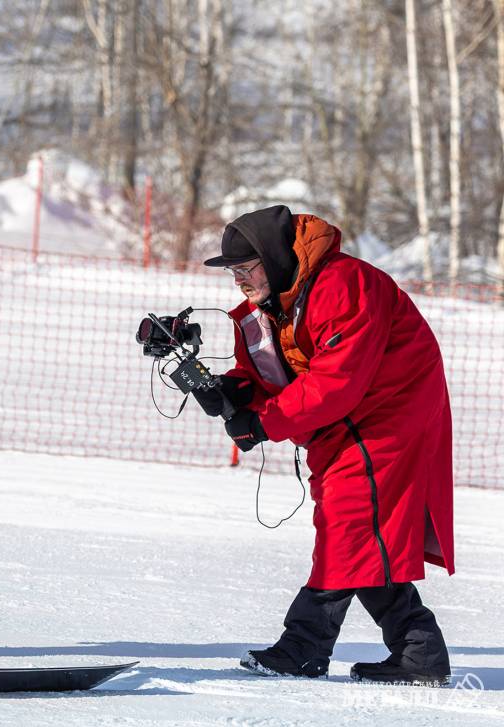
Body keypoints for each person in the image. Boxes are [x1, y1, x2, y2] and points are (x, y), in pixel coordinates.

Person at [194, 205, 454, 686]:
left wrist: (264, 421)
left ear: (271, 259)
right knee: (361, 530)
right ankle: (419, 653)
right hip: (348, 419)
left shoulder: (345, 284)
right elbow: (281, 369)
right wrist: (234, 392)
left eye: (245, 268)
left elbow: (336, 382)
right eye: (232, 272)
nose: (239, 281)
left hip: (389, 417)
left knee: (349, 521)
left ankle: (304, 647)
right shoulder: (280, 297)